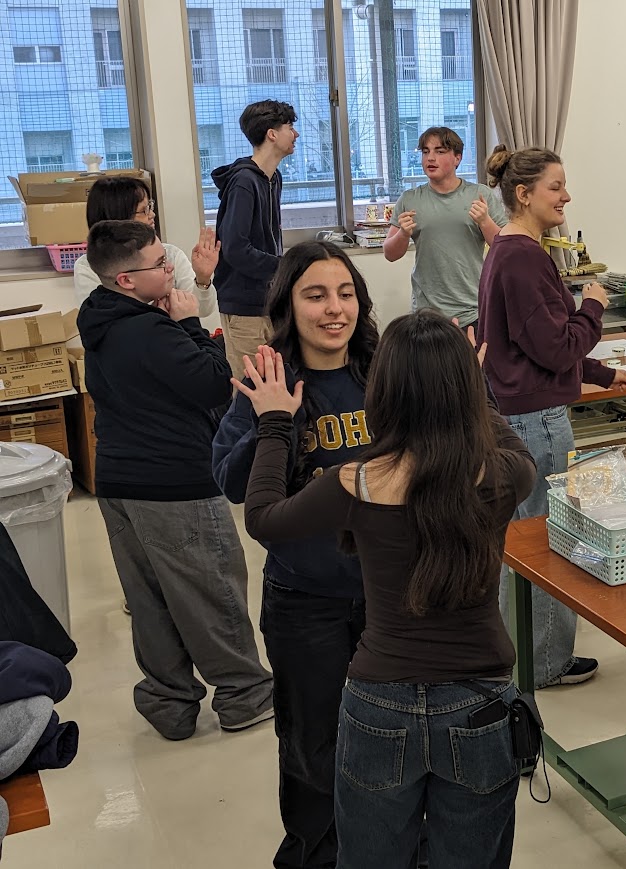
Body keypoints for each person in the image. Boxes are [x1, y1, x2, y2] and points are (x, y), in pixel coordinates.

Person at [239, 311, 537, 869]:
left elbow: (262, 517)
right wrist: (476, 389)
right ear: (465, 391)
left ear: (383, 392)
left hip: (380, 704)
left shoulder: (356, 482)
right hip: (479, 702)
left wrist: (276, 423)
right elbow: (509, 444)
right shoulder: (503, 476)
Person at [212, 241, 378, 869]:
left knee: (395, 733)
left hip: (390, 596)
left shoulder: (384, 373)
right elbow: (232, 483)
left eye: (345, 294)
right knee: (312, 743)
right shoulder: (266, 380)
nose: (335, 309)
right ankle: (315, 854)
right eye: (316, 295)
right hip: (305, 602)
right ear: (289, 305)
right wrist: (271, 419)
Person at [76, 219, 273, 741]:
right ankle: (245, 696)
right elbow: (214, 385)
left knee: (150, 599)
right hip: (173, 482)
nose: (171, 269)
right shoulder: (152, 330)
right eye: (160, 264)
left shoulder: (99, 318)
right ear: (126, 280)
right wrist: (189, 324)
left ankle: (169, 704)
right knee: (211, 589)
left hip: (118, 482)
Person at [476, 145, 626, 688]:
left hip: (520, 412)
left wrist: (600, 373)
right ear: (524, 194)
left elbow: (528, 345)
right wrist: (593, 306)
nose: (566, 196)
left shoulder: (508, 250)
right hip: (537, 422)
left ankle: (521, 651)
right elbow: (553, 345)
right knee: (548, 539)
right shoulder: (522, 256)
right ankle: (543, 662)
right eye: (556, 186)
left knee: (523, 536)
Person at [383, 126, 507, 327]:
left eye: (439, 151)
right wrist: (403, 234)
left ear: (457, 158)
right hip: (426, 314)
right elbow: (390, 253)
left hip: (473, 310)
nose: (430, 158)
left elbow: (504, 246)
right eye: (426, 152)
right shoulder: (409, 199)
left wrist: (485, 221)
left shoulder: (480, 195)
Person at [212, 99, 299, 379]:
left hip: (269, 301)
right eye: (289, 127)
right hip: (244, 307)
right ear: (271, 134)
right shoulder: (244, 182)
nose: (295, 134)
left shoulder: (273, 178)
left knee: (277, 383)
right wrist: (285, 267)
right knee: (250, 389)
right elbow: (236, 249)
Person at [71, 176, 220, 320]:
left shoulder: (171, 254)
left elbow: (201, 309)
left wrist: (203, 278)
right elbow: (101, 318)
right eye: (144, 210)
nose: (152, 214)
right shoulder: (89, 266)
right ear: (118, 219)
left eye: (150, 206)